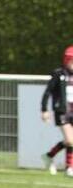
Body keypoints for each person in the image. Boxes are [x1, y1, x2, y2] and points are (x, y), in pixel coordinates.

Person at [40, 45, 73, 177]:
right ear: (67, 60)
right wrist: (44, 110)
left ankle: (49, 156)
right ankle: (70, 168)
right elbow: (47, 92)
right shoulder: (59, 74)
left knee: (69, 141)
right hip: (62, 111)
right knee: (70, 140)